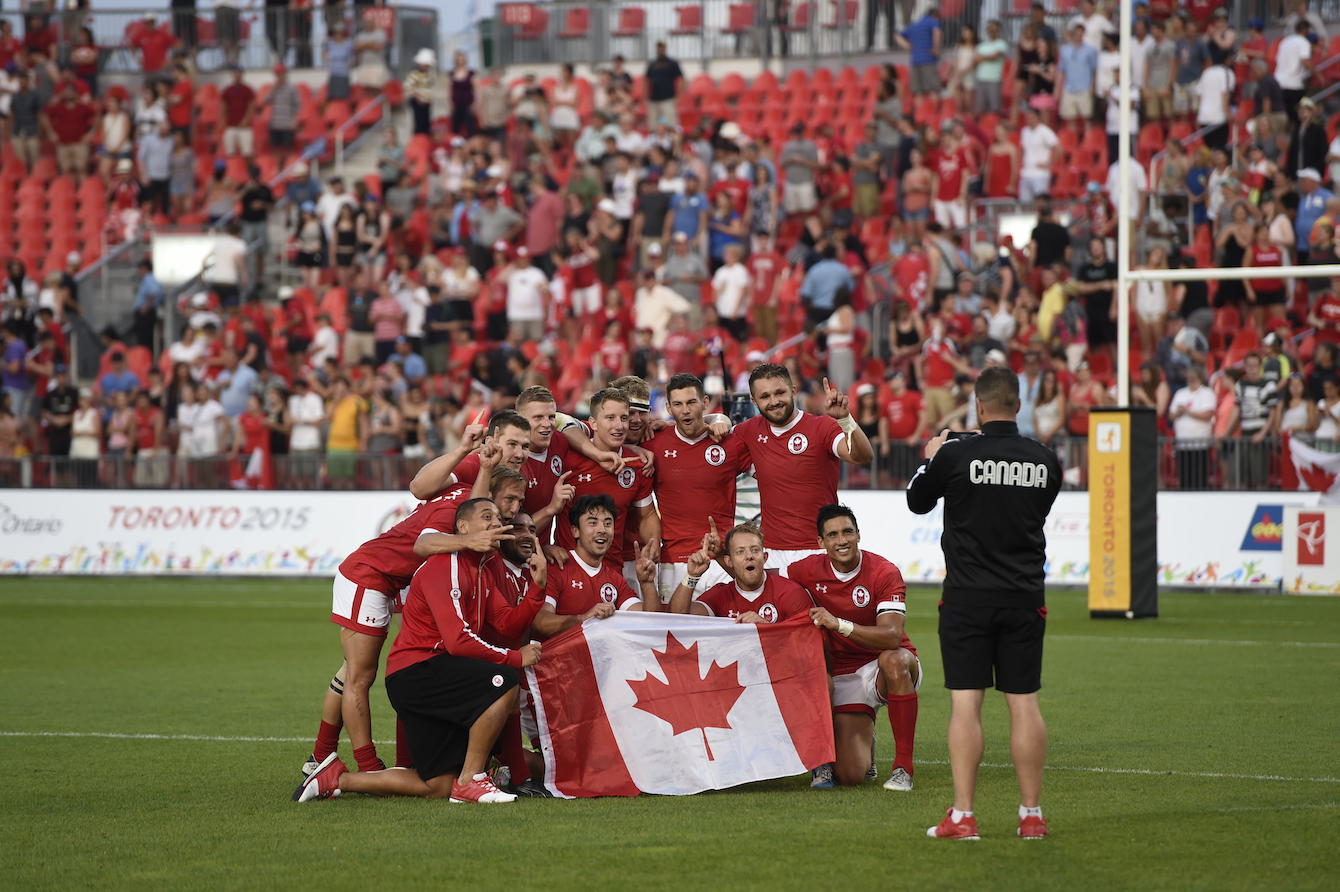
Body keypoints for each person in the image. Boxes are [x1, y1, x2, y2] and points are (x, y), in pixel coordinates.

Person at [296, 496, 542, 805]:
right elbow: (458, 641)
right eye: (486, 517)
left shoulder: (483, 567)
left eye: (497, 517)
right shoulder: (447, 564)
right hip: (419, 673)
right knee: (504, 681)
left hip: (428, 674)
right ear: (463, 527)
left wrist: (537, 587)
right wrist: (515, 658)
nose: (496, 523)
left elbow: (505, 623)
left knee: (437, 785)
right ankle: (472, 780)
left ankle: (335, 778)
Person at [907, 365, 1062, 841]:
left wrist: (931, 457)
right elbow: (1036, 510)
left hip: (968, 596)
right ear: (1018, 404)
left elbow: (917, 501)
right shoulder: (1045, 460)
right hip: (1023, 594)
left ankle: (964, 815)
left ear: (978, 405)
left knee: (966, 702)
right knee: (1024, 702)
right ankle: (1031, 815)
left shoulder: (956, 454)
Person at [780, 505, 920, 792]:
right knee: (850, 775)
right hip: (843, 673)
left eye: (847, 532)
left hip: (883, 665)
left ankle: (903, 768)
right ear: (821, 542)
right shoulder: (804, 570)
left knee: (894, 660)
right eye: (832, 535)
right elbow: (763, 583)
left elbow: (892, 637)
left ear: (858, 535)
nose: (842, 540)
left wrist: (839, 624)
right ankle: (866, 740)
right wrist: (722, 558)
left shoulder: (883, 571)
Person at [735, 363, 875, 569]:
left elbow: (862, 456)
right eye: (765, 396)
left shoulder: (822, 426)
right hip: (772, 552)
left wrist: (845, 420)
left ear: (793, 391)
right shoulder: (746, 432)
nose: (774, 401)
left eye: (780, 392)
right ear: (754, 401)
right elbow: (708, 445)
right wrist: (717, 419)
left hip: (818, 548)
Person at [646, 373, 745, 601]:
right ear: (668, 408)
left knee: (727, 622)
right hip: (673, 562)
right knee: (675, 623)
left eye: (691, 402)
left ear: (705, 402)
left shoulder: (730, 443)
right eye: (678, 404)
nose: (685, 410)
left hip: (720, 561)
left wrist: (721, 419)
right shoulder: (653, 444)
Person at [531, 494, 658, 639]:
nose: (602, 530)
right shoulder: (556, 568)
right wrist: (584, 619)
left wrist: (647, 584)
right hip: (558, 653)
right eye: (593, 523)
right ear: (575, 531)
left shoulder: (614, 578)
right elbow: (540, 622)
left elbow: (650, 622)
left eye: (608, 524)